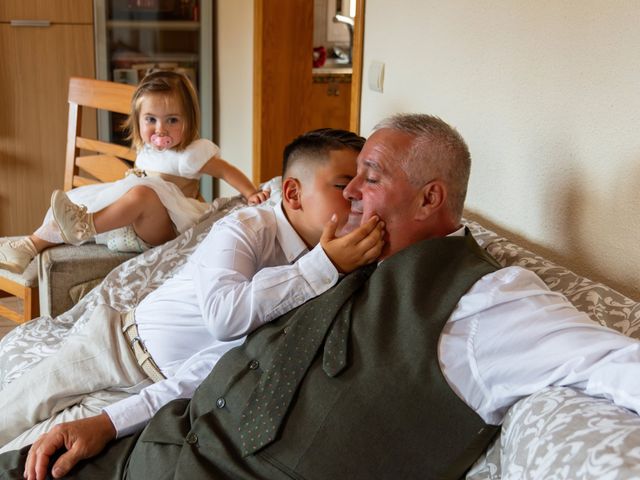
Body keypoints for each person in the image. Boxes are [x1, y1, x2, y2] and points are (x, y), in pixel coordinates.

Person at [5, 113, 640, 480]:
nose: (352, 196)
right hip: (147, 449)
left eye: (371, 177)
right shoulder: (339, 259)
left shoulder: (487, 301)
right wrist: (106, 421)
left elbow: (613, 363)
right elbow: (236, 357)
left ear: (431, 198)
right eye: (349, 178)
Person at [0, 128, 385, 454]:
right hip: (113, 342)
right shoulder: (248, 229)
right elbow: (225, 317)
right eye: (343, 186)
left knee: (27, 455)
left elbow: (218, 362)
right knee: (9, 415)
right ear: (293, 193)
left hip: (154, 390)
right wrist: (323, 266)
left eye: (365, 187)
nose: (358, 199)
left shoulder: (332, 274)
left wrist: (115, 420)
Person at [0, 70, 269, 275]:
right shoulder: (146, 152)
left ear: (189, 122)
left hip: (165, 229)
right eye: (150, 120)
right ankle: (30, 246)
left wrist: (251, 192)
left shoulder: (190, 154)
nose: (160, 129)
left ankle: (86, 226)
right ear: (138, 121)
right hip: (133, 225)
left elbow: (227, 172)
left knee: (143, 193)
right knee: (86, 198)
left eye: (172, 120)